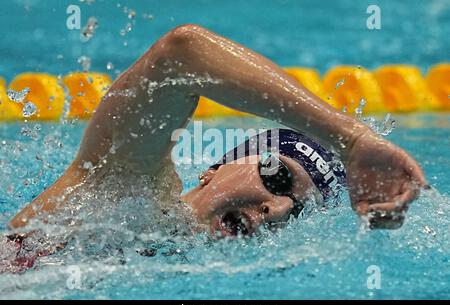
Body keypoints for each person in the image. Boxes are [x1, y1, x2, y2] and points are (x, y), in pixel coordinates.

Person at [7, 24, 427, 239]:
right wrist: (350, 140)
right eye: (277, 176)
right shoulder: (120, 191)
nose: (276, 209)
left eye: (296, 210)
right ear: (215, 167)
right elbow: (181, 55)